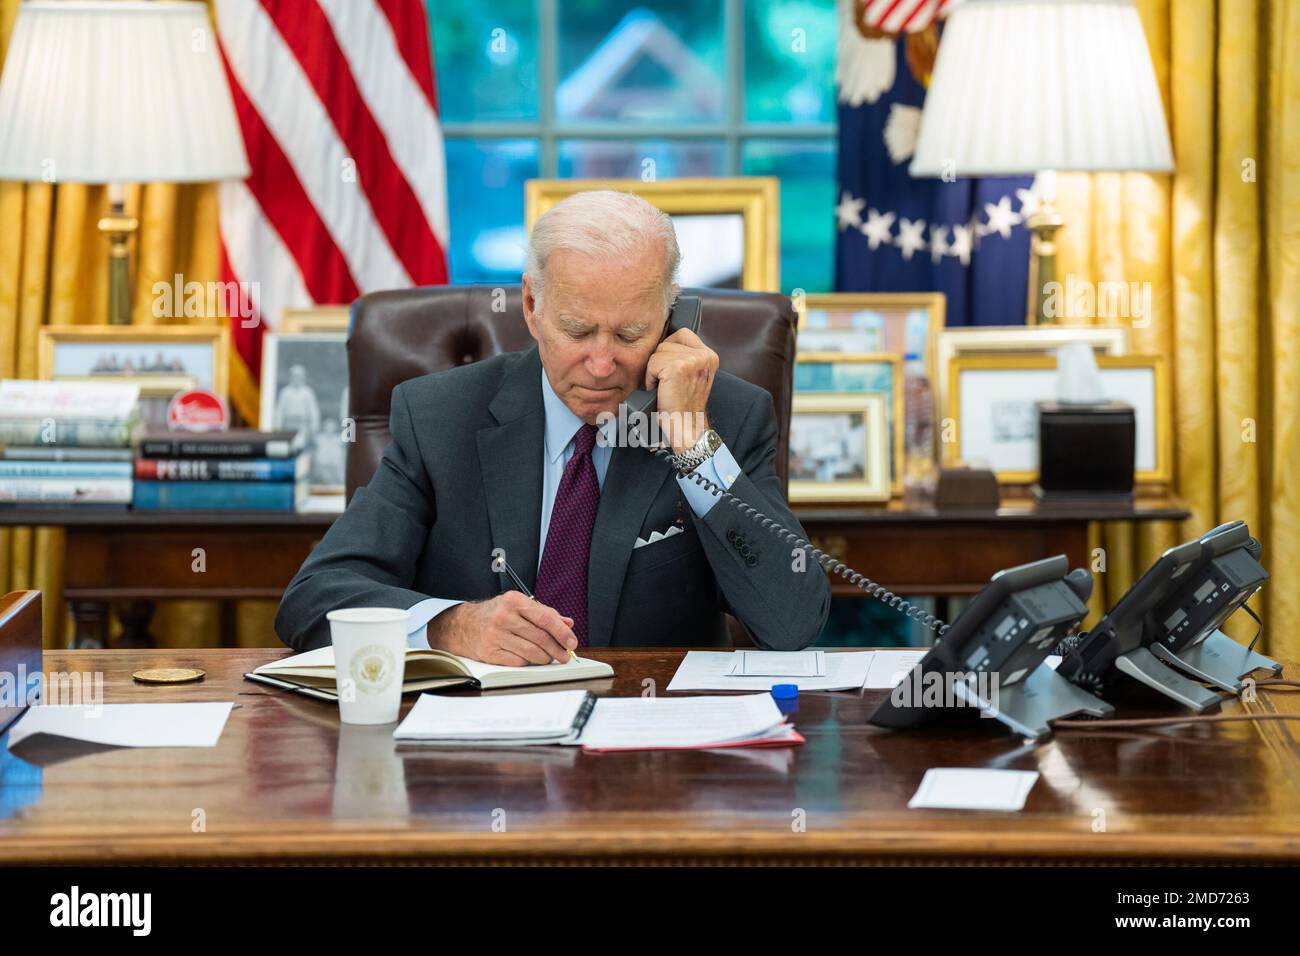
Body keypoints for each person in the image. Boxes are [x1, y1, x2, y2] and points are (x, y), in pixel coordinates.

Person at [275, 189, 830, 662]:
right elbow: (315, 597)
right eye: (577, 330)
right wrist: (448, 627)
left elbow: (792, 623)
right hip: (480, 748)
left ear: (672, 319)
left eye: (631, 334)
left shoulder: (728, 417)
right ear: (532, 306)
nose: (600, 363)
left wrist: (691, 445)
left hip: (653, 752)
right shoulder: (440, 418)